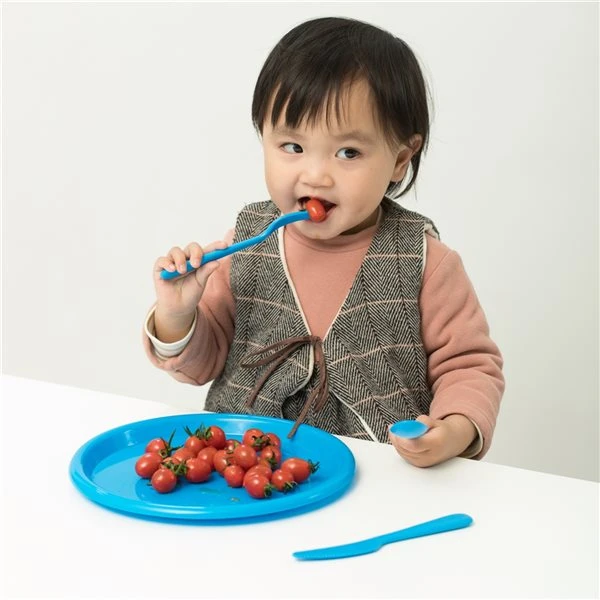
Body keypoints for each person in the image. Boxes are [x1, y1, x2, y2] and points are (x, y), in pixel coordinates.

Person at [143, 16, 504, 467]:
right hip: (250, 471)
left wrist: (455, 428)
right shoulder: (245, 245)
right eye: (292, 147)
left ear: (400, 159)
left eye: (348, 152)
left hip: (381, 474)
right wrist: (177, 315)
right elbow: (202, 365)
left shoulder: (426, 260)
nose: (316, 175)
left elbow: (469, 366)